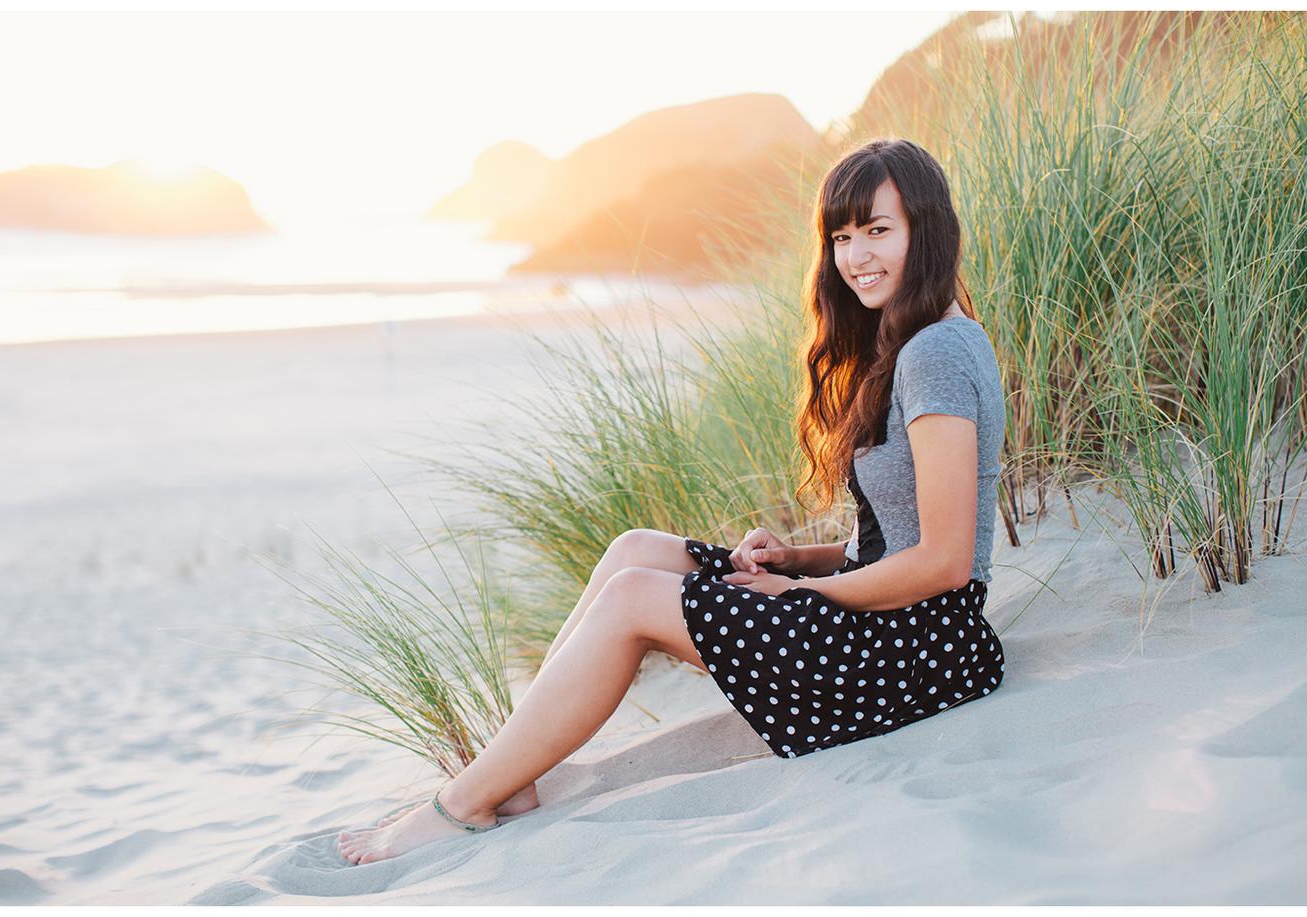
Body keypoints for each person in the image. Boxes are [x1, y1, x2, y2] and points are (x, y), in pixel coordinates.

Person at [339, 137, 1008, 866]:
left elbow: (944, 561)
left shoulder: (934, 352)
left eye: (878, 230)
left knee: (633, 598)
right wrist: (796, 560)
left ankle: (464, 804)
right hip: (892, 625)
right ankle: (513, 772)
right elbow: (893, 539)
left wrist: (798, 593)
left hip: (914, 654)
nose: (856, 257)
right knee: (637, 549)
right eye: (841, 237)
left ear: (926, 228)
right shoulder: (915, 340)